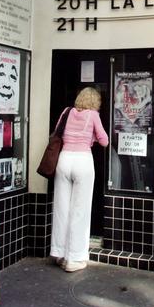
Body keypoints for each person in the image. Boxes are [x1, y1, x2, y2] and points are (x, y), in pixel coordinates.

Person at [50, 87, 109, 273]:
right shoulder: (93, 115)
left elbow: (57, 133)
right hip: (83, 161)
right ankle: (74, 259)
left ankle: (59, 254)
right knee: (80, 211)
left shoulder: (66, 112)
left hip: (64, 159)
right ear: (95, 102)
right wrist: (92, 137)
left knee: (61, 208)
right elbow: (104, 141)